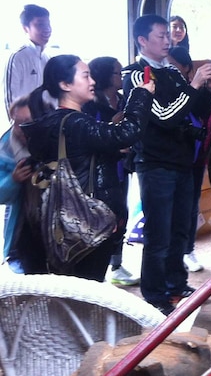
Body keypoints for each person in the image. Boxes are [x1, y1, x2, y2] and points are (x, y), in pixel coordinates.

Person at [22, 54, 154, 281]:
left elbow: (78, 158)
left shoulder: (51, 121)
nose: (92, 81)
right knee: (88, 287)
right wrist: (141, 94)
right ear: (65, 85)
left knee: (68, 287)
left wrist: (109, 150)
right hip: (87, 221)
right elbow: (126, 133)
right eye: (85, 76)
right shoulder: (77, 122)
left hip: (59, 218)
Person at [123, 14, 211, 316]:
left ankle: (177, 284)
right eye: (161, 35)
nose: (168, 40)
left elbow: (197, 112)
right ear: (142, 41)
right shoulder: (139, 75)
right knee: (159, 233)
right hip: (155, 163)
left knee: (181, 229)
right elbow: (164, 116)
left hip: (182, 161)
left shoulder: (172, 73)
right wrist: (194, 84)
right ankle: (154, 293)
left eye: (169, 35)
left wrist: (206, 89)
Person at [82, 56, 140, 286]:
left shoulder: (124, 99)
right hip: (99, 171)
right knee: (99, 216)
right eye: (117, 73)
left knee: (121, 213)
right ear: (105, 75)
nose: (121, 76)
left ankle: (116, 264)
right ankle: (96, 270)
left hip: (121, 166)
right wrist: (112, 126)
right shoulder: (91, 104)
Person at [166, 46, 205, 273]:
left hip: (196, 157)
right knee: (172, 212)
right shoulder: (169, 90)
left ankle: (188, 250)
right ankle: (175, 260)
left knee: (190, 207)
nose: (171, 70)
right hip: (174, 159)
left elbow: (201, 110)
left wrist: (205, 88)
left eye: (175, 66)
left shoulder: (192, 90)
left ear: (187, 68)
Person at [0, 97, 35, 273]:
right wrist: (13, 180)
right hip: (22, 232)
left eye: (27, 122)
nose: (20, 129)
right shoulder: (6, 147)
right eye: (17, 122)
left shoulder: (53, 142)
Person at [4, 4, 52, 117]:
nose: (47, 29)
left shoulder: (47, 58)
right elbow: (9, 99)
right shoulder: (17, 57)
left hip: (42, 124)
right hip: (22, 126)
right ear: (25, 28)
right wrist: (17, 128)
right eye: (40, 25)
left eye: (48, 24)